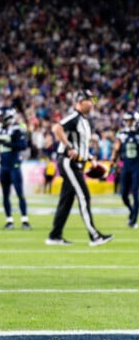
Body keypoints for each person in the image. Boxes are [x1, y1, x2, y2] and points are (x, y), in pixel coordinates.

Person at [46, 90, 113, 246]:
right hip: (69, 162)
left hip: (78, 162)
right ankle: (95, 236)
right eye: (90, 100)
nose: (92, 103)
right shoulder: (74, 117)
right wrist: (69, 147)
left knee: (66, 200)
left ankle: (54, 236)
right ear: (80, 102)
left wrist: (90, 158)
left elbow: (81, 146)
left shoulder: (84, 121)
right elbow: (57, 128)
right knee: (84, 196)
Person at [0, 107, 31, 230]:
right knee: (5, 195)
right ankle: (9, 220)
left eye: (1, 117)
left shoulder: (17, 129)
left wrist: (7, 144)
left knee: (20, 193)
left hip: (14, 165)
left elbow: (23, 145)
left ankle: (25, 220)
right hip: (3, 165)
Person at [110, 111, 139, 227]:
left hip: (137, 166)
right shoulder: (121, 134)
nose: (128, 123)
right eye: (127, 120)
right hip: (126, 166)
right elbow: (116, 149)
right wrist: (113, 160)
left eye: (130, 120)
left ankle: (133, 220)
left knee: (136, 193)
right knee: (123, 194)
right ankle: (132, 211)